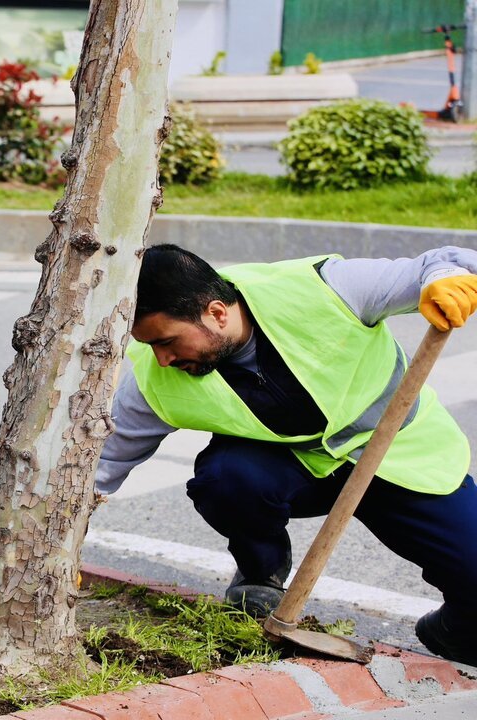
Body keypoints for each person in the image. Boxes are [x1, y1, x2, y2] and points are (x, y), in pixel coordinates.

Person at [98, 244, 477, 665]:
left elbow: (441, 262)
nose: (162, 359)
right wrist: (60, 543)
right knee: (225, 477)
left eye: (167, 341)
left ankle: (453, 631)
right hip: (290, 468)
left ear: (217, 313)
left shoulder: (324, 290)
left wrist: (446, 278)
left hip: (397, 456)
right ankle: (261, 573)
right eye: (151, 346)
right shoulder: (156, 380)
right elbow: (102, 463)